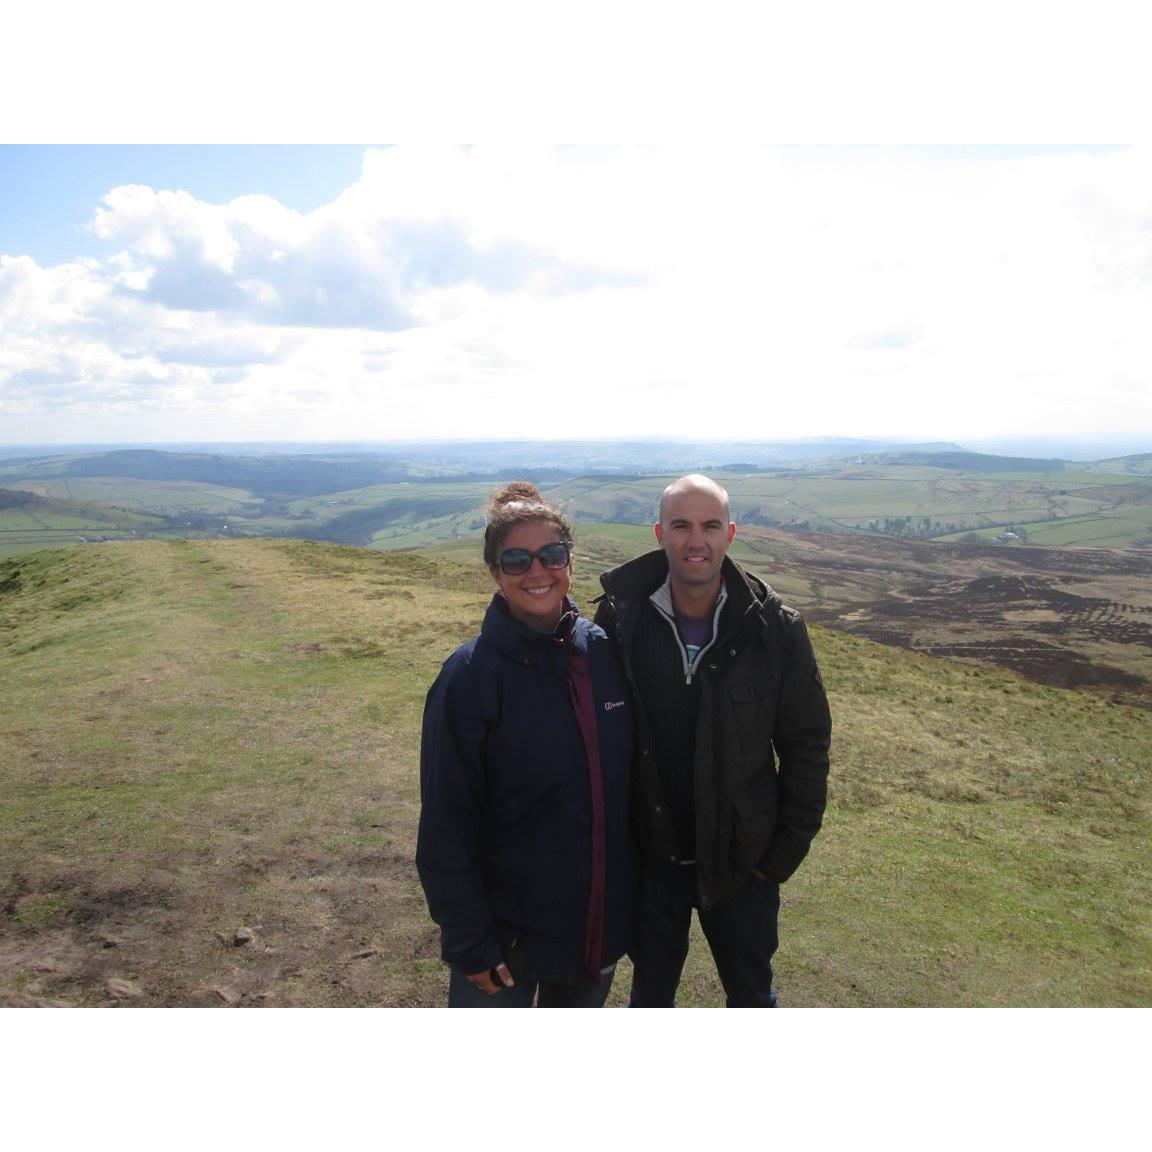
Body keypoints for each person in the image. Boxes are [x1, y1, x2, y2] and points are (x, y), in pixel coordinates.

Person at [593, 473, 831, 1007]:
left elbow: (807, 747)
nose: (694, 541)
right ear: (659, 533)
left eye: (709, 525)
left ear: (731, 533)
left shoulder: (775, 629)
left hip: (744, 862)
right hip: (652, 858)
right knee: (650, 997)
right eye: (680, 525)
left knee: (750, 996)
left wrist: (781, 855)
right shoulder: (620, 616)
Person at [417, 481, 633, 1007]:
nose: (537, 571)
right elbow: (447, 820)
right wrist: (467, 938)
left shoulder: (605, 655)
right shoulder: (469, 678)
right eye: (516, 560)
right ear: (495, 574)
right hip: (503, 940)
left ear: (570, 562)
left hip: (591, 930)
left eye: (551, 555)